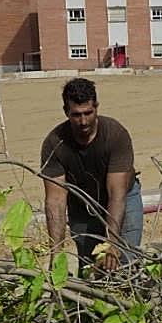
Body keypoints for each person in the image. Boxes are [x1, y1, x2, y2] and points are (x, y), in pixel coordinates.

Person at [40, 78, 143, 272]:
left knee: (125, 264)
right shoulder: (54, 144)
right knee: (91, 269)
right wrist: (56, 255)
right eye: (76, 115)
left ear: (96, 107)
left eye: (88, 113)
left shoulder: (115, 134)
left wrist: (113, 244)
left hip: (123, 199)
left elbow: (117, 195)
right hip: (83, 205)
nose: (83, 121)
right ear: (66, 112)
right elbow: (55, 202)